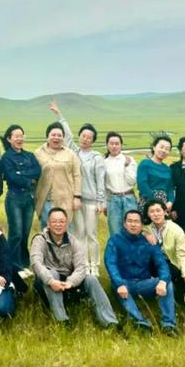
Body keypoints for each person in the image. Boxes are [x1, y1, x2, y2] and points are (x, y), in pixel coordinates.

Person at [30, 207, 118, 328]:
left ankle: (109, 321)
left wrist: (71, 282)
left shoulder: (74, 241)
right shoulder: (39, 240)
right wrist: (51, 281)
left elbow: (81, 267)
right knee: (53, 273)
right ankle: (62, 320)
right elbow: (36, 264)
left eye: (61, 221)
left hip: (68, 282)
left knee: (91, 279)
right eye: (54, 221)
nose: (58, 225)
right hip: (46, 283)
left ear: (66, 224)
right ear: (49, 224)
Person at [49, 102, 105, 275]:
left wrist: (101, 201)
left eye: (89, 137)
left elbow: (100, 180)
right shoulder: (74, 152)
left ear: (93, 140)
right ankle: (82, 265)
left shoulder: (96, 157)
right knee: (78, 234)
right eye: (83, 135)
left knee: (92, 234)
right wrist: (59, 114)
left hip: (91, 202)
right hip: (76, 201)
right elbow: (67, 135)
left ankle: (94, 266)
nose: (85, 139)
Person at [103, 210, 178, 335]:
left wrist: (163, 281)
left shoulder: (149, 241)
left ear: (141, 225)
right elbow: (110, 264)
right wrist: (119, 283)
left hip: (144, 283)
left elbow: (161, 263)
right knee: (116, 286)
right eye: (130, 221)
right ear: (124, 224)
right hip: (123, 283)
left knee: (167, 283)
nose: (133, 224)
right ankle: (141, 323)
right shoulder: (115, 241)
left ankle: (168, 324)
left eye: (136, 221)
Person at [142, 199, 185, 320]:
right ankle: (173, 304)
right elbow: (138, 229)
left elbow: (182, 255)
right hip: (154, 264)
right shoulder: (147, 228)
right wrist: (146, 234)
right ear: (147, 214)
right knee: (168, 281)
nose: (155, 214)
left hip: (173, 265)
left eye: (158, 210)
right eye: (152, 211)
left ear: (165, 212)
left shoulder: (176, 230)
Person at [0, 124, 41, 272]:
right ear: (9, 139)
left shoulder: (29, 155)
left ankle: (24, 263)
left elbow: (37, 170)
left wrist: (21, 174)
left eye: (21, 135)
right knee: (15, 233)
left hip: (28, 198)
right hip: (14, 198)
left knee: (25, 232)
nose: (19, 138)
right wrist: (28, 180)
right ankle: (13, 266)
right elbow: (11, 177)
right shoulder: (6, 157)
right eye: (16, 136)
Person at [35, 122, 82, 227]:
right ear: (47, 136)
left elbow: (77, 175)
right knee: (46, 228)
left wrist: (77, 197)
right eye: (53, 135)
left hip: (65, 198)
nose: (56, 138)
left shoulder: (70, 154)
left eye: (59, 135)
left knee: (64, 228)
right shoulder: (38, 153)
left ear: (63, 138)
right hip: (45, 198)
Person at [102, 132, 138, 235]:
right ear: (107, 145)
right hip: (113, 199)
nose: (114, 146)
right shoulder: (103, 162)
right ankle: (117, 251)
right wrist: (104, 204)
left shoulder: (129, 160)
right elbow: (103, 185)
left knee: (132, 230)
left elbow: (132, 181)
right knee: (115, 231)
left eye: (117, 144)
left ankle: (132, 251)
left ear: (121, 145)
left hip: (129, 197)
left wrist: (126, 167)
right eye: (111, 143)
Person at [136, 135, 174, 213]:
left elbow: (170, 188)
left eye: (167, 149)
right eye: (161, 147)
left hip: (164, 204)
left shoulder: (167, 169)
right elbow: (142, 185)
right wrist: (156, 202)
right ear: (154, 147)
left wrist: (170, 201)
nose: (164, 150)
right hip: (148, 201)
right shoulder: (145, 164)